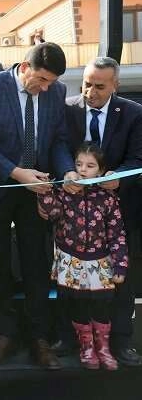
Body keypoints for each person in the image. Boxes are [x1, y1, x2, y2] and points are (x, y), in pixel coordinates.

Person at [0, 42, 76, 370]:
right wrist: (17, 173)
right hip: (0, 188)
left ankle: (39, 337)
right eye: (41, 80)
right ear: (25, 67)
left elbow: (58, 140)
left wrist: (67, 170)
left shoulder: (56, 92)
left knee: (36, 263)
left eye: (51, 83)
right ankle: (2, 334)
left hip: (37, 190)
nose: (45, 88)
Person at [64, 57, 142, 366]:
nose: (90, 92)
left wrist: (117, 178)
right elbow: (57, 146)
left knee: (120, 278)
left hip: (119, 211)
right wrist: (66, 171)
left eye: (99, 86)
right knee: (72, 279)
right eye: (86, 84)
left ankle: (121, 341)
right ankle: (71, 341)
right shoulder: (68, 109)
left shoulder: (133, 113)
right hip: (73, 213)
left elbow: (138, 157)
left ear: (115, 85)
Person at [38, 143, 127, 371]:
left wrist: (120, 264)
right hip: (72, 260)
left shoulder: (108, 198)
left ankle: (103, 348)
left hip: (100, 261)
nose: (83, 170)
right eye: (79, 164)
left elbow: (116, 233)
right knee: (77, 304)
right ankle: (86, 347)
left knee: (101, 306)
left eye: (90, 165)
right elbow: (51, 214)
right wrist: (45, 191)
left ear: (101, 170)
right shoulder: (65, 194)